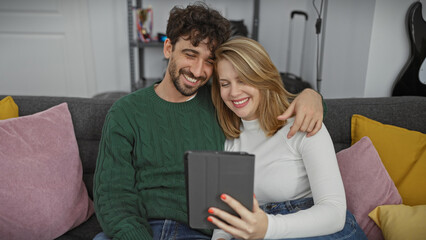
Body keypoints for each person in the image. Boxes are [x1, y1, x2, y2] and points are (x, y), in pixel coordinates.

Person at [93, 3, 325, 240]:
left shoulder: (223, 100)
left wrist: (311, 96)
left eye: (209, 61)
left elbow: (267, 98)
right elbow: (113, 194)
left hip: (195, 232)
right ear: (168, 48)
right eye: (190, 54)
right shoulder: (125, 112)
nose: (197, 70)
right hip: (137, 228)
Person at [208, 36, 367, 240]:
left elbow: (334, 213)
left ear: (262, 77)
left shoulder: (302, 124)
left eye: (243, 79)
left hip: (322, 232)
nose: (234, 92)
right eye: (225, 83)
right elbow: (230, 213)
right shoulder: (229, 140)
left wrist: (268, 228)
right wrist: (220, 237)